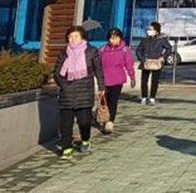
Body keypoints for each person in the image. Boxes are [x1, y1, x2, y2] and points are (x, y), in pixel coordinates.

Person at [54, 25, 105, 160]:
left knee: (84, 121)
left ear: (82, 37)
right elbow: (57, 73)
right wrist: (64, 86)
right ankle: (67, 147)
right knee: (65, 123)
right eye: (70, 37)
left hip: (84, 91)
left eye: (75, 36)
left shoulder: (91, 51)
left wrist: (101, 87)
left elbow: (98, 70)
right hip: (67, 93)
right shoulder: (63, 53)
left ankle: (85, 141)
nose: (72, 39)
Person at [99, 27, 136, 133]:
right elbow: (97, 63)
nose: (113, 40)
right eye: (111, 38)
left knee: (113, 101)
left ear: (120, 38)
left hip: (117, 80)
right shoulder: (102, 49)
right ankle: (103, 120)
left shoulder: (125, 50)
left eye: (116, 38)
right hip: (104, 79)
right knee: (103, 101)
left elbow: (129, 64)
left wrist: (132, 76)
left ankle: (110, 122)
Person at [136, 21, 171, 105]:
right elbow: (138, 50)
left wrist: (163, 57)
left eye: (151, 29)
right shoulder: (145, 40)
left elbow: (169, 48)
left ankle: (152, 98)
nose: (149, 31)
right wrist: (142, 59)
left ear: (156, 31)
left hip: (156, 62)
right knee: (144, 81)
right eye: (148, 29)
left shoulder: (161, 40)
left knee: (154, 81)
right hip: (146, 62)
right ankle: (144, 97)